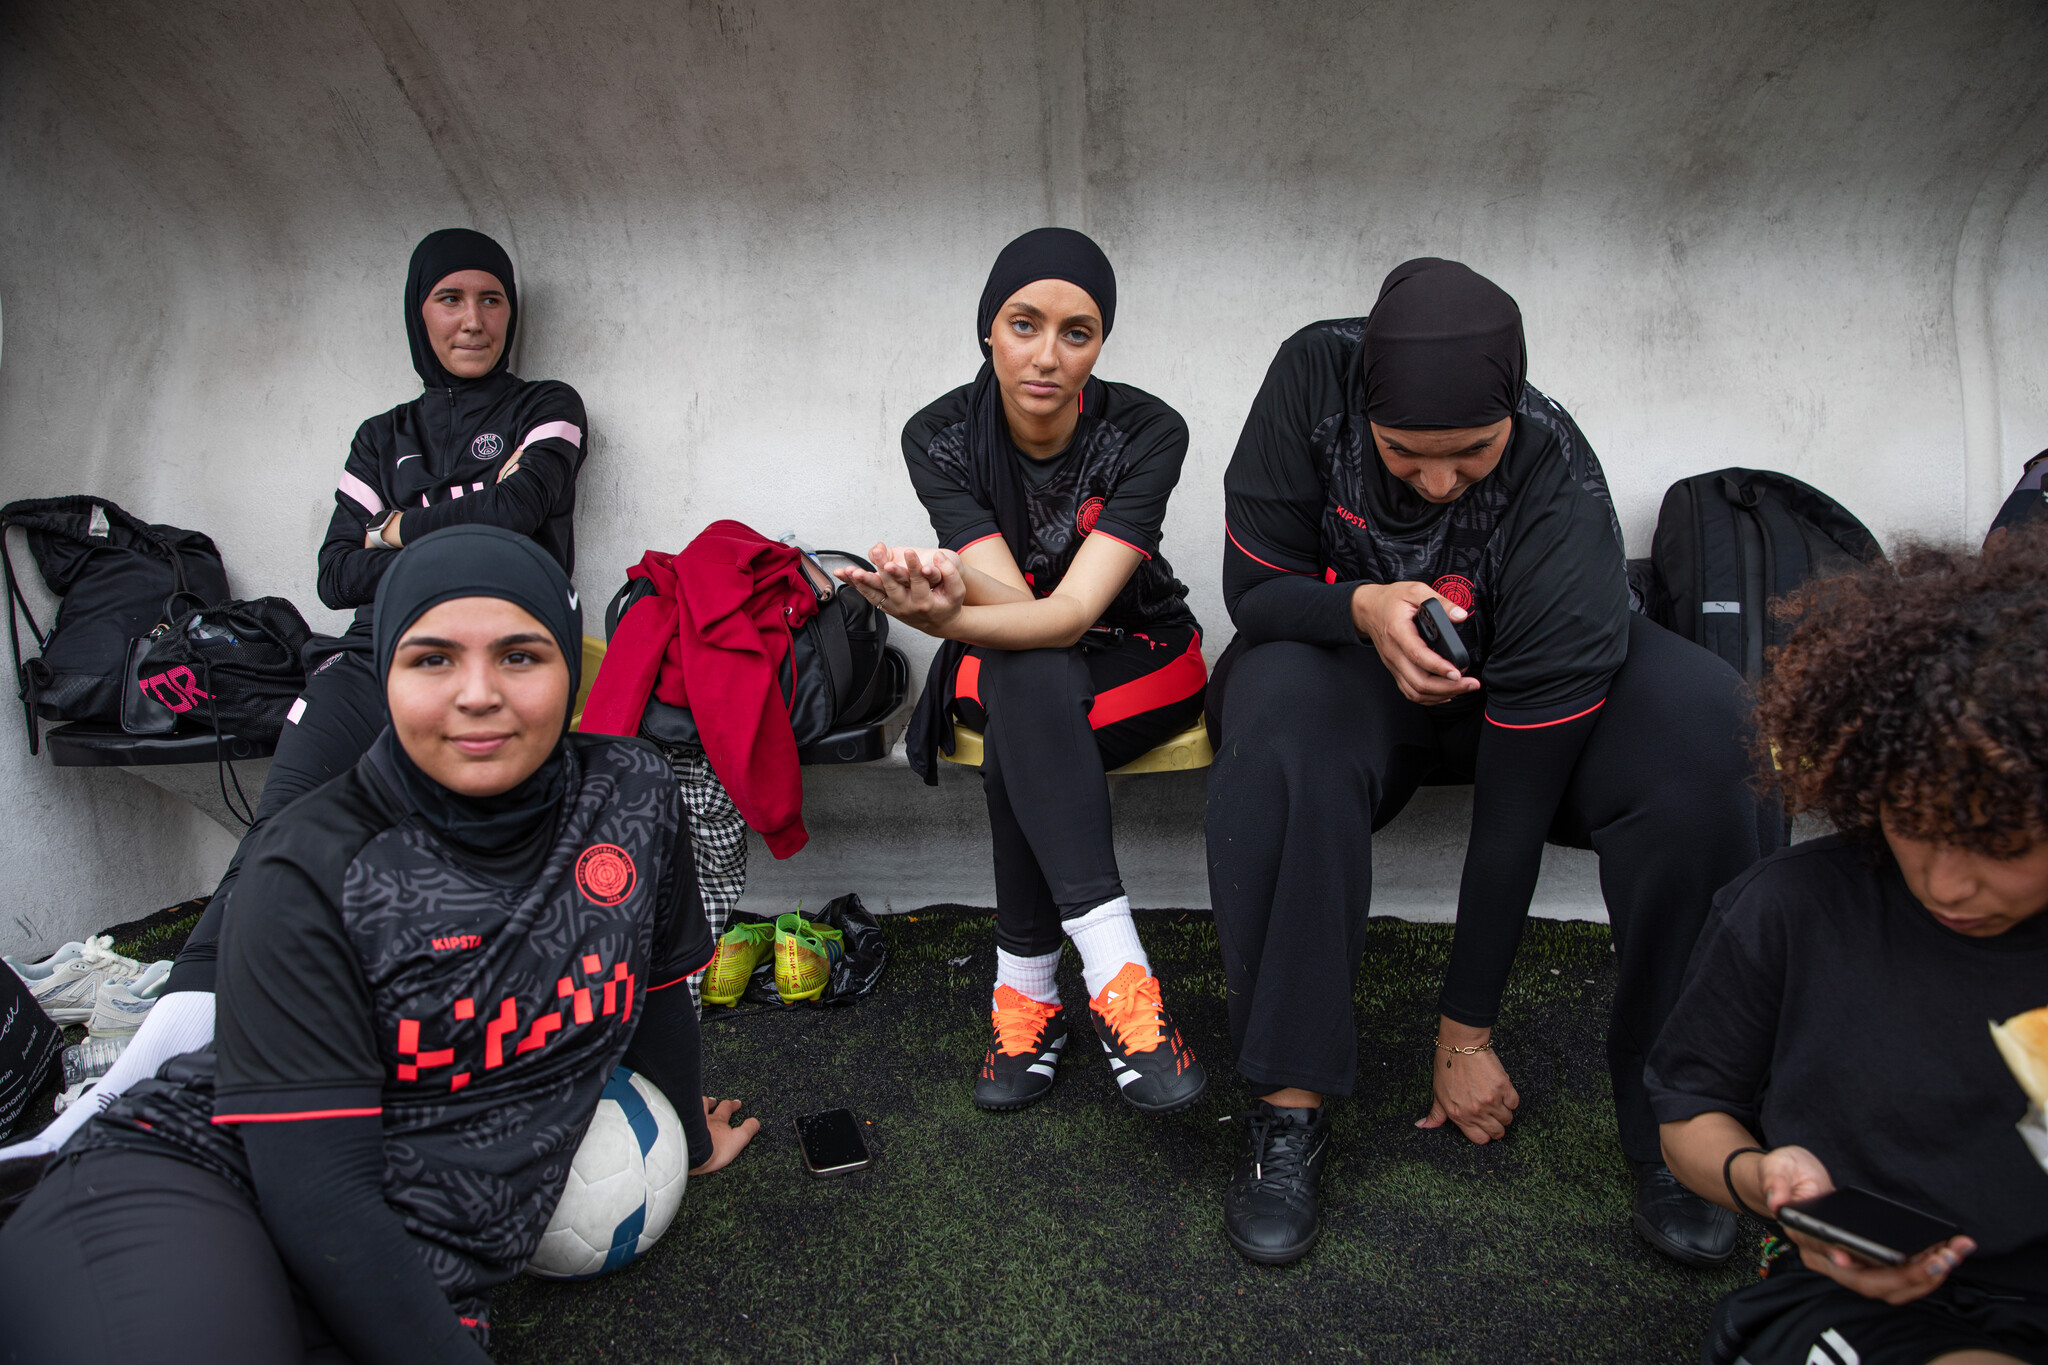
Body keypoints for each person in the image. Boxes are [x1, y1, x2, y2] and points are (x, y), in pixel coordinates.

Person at [0, 526, 757, 1363]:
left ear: (569, 670)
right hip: (186, 1194)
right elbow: (322, 1195)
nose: (478, 692)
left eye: (520, 655)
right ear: (387, 674)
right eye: (432, 658)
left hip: (407, 1260)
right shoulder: (311, 862)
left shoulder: (633, 795)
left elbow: (654, 989)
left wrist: (685, 1135)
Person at [1205, 258, 1777, 1266]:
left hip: (1533, 691)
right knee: (1275, 715)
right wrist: (1360, 606)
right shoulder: (1310, 377)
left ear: (1512, 408)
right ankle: (1287, 1103)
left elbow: (1513, 805)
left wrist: (1462, 1032)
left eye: (1470, 453)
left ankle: (1677, 1117)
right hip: (1357, 665)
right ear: (1365, 412)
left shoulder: (1556, 478)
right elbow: (1255, 590)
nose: (1434, 482)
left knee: (1709, 738)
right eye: (1402, 456)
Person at [0, 227, 589, 1163]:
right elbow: (335, 575)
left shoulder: (547, 404)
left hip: (500, 664)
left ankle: (442, 1084)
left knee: (452, 868)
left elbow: (516, 514)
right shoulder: (380, 434)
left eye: (490, 299)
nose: (472, 318)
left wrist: (398, 526)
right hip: (372, 661)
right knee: (273, 847)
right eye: (450, 299)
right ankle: (118, 1091)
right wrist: (441, 517)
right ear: (418, 312)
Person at [1652, 530, 2048, 1365]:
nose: (1946, 883)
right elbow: (1690, 1113)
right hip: (1851, 1302)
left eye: (1998, 845)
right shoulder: (1791, 908)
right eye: (1915, 824)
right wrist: (1763, 1179)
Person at [838, 228, 1209, 1114]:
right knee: (1029, 678)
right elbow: (1011, 602)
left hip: (1138, 649)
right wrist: (958, 606)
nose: (1047, 355)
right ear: (987, 331)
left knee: (1024, 697)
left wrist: (937, 615)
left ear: (1100, 344)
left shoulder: (1150, 430)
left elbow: (1076, 613)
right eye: (1023, 324)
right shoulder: (939, 432)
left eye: (1076, 332)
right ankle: (1121, 988)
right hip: (1011, 654)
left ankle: (1032, 994)